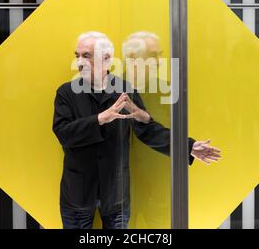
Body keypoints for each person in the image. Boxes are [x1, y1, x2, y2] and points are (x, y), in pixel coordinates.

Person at [52, 31, 221, 229]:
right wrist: (99, 119)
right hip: (78, 193)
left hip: (115, 194)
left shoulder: (123, 88)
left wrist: (188, 146)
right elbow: (63, 133)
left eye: (86, 55)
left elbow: (147, 130)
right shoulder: (66, 92)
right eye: (77, 55)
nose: (79, 62)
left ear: (106, 59)